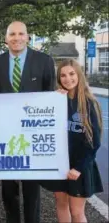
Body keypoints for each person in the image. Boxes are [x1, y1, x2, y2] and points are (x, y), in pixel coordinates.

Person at [0, 21, 56, 223]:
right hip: (6, 132)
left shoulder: (44, 61)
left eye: (21, 33)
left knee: (31, 186)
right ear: (6, 38)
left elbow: (50, 98)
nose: (16, 38)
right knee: (8, 186)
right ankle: (12, 220)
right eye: (12, 34)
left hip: (32, 133)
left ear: (27, 37)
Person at [41, 59, 103, 223]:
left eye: (71, 74)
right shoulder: (57, 100)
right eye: (63, 75)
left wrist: (78, 168)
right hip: (60, 164)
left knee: (77, 212)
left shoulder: (89, 103)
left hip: (79, 167)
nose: (67, 79)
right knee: (61, 205)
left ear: (79, 74)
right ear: (59, 78)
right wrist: (53, 98)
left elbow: (94, 143)